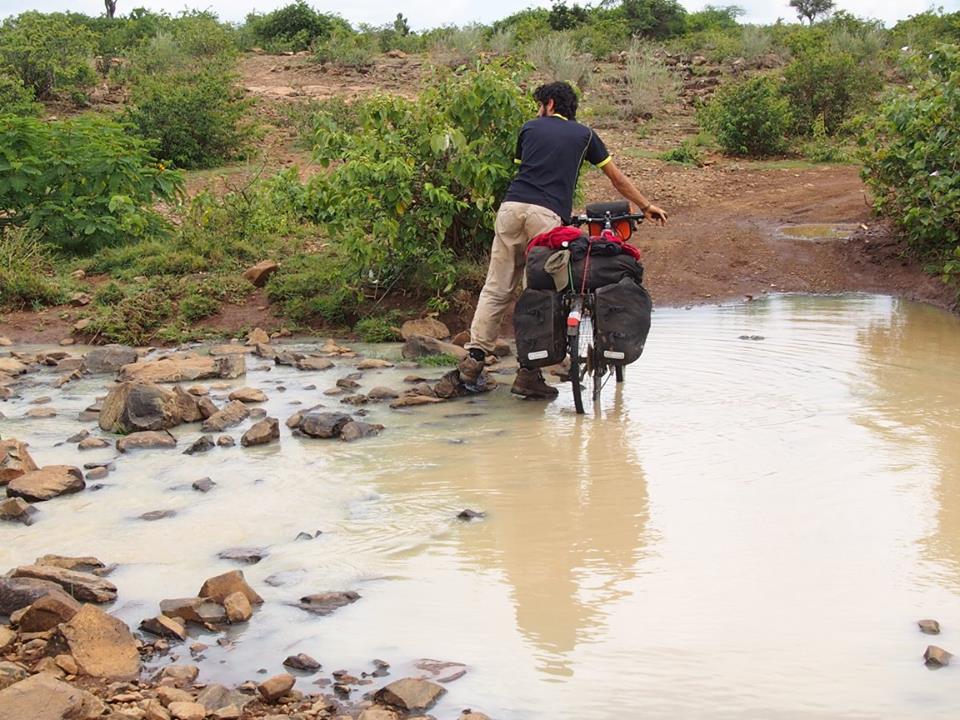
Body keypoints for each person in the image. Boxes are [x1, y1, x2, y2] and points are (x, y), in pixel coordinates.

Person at [459, 81, 668, 399]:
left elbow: (528, 171)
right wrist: (646, 206)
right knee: (540, 291)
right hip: (546, 218)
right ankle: (529, 372)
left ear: (550, 104)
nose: (538, 110)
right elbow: (616, 178)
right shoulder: (585, 135)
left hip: (510, 209)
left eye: (540, 104)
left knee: (497, 286)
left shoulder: (529, 129)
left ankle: (473, 361)